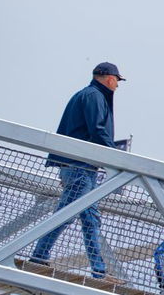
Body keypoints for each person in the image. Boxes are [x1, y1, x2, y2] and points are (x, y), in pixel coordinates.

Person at [26, 62, 126, 283]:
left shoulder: (89, 94)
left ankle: (98, 270)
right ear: (109, 78)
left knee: (90, 219)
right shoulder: (94, 96)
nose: (118, 85)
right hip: (79, 167)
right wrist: (116, 157)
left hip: (80, 167)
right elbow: (98, 129)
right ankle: (38, 256)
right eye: (118, 80)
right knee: (66, 215)